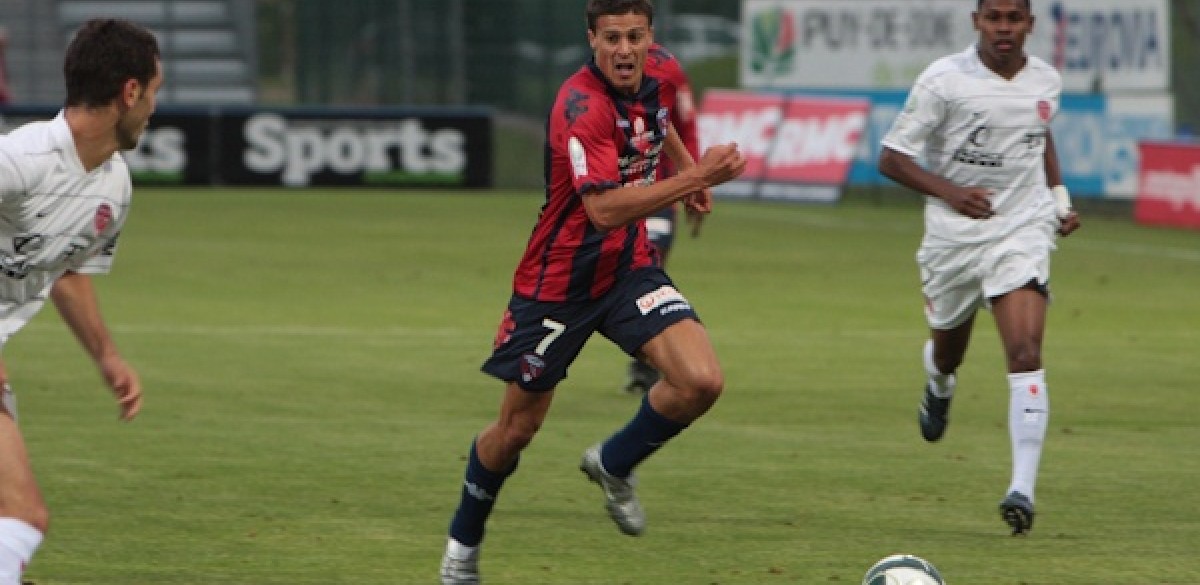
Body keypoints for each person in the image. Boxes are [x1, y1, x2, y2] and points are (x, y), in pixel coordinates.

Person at [440, 0, 746, 582]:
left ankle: (614, 463)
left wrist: (683, 175)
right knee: (516, 431)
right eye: (612, 39)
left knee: (701, 381)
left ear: (650, 37)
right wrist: (698, 177)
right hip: (557, 284)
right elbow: (602, 210)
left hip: (628, 268)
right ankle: (462, 548)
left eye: (635, 36)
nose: (625, 50)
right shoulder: (580, 105)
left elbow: (662, 125)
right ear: (592, 39)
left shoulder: (659, 71)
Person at [878, 0, 1080, 536]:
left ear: (1030, 24)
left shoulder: (1046, 80)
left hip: (1021, 229)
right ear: (977, 22)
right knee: (949, 350)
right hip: (953, 240)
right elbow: (892, 157)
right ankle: (939, 383)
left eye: (1015, 18)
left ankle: (1022, 490)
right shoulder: (943, 81)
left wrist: (1058, 197)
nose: (1004, 27)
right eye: (995, 17)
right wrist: (952, 193)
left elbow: (1040, 136)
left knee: (1025, 351)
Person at [0, 18, 159, 582]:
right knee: (20, 515)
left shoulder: (113, 184)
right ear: (130, 91)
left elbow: (66, 269)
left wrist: (107, 357)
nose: (154, 109)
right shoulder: (20, 160)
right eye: (155, 91)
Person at [621, 41, 703, 395]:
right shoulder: (603, 66)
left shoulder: (668, 67)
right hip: (616, 187)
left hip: (660, 184)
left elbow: (685, 123)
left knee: (651, 258)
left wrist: (694, 180)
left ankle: (647, 363)